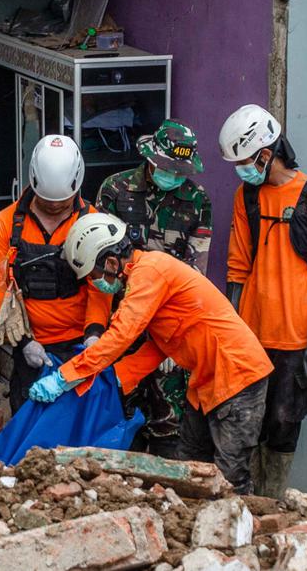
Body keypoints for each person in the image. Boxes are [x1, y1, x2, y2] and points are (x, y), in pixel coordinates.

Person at [29, 213, 273, 495]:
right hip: (207, 382)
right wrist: (115, 379)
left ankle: (242, 531)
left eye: (94, 277)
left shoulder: (150, 272)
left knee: (230, 477)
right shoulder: (146, 277)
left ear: (110, 262)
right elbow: (159, 346)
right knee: (190, 467)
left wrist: (64, 376)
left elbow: (122, 334)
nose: (96, 285)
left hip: (239, 377)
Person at [219, 104, 307, 498]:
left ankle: (273, 500)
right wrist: (232, 330)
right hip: (251, 335)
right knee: (244, 425)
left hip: (295, 338)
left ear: (266, 153)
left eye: (244, 162)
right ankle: (246, 502)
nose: (241, 170)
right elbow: (237, 266)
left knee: (284, 426)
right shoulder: (247, 196)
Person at [96, 119, 212, 459]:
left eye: (180, 171)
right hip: (123, 326)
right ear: (151, 159)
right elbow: (103, 263)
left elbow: (195, 277)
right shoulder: (115, 190)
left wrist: (167, 340)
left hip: (170, 329)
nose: (173, 177)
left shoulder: (197, 201)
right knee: (118, 410)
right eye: (168, 169)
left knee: (168, 424)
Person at [0, 135, 111, 412]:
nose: (54, 206)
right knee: (29, 419)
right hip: (31, 345)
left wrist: (94, 332)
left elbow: (99, 286)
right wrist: (25, 342)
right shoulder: (6, 224)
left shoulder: (91, 221)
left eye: (62, 201)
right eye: (47, 200)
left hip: (79, 343)